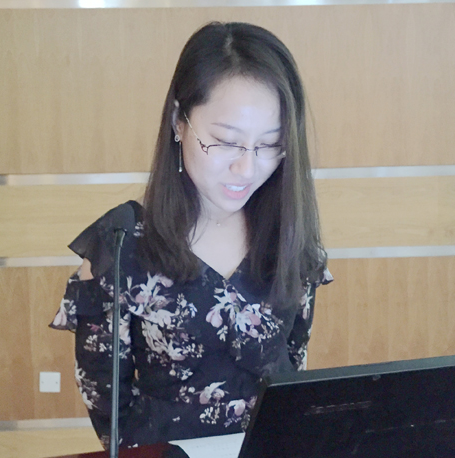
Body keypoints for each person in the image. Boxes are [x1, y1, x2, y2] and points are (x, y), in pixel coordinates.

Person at [50, 21, 332, 449]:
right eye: (226, 141)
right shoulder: (122, 244)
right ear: (179, 122)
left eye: (269, 145)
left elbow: (292, 367)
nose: (247, 168)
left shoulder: (290, 236)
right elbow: (106, 403)